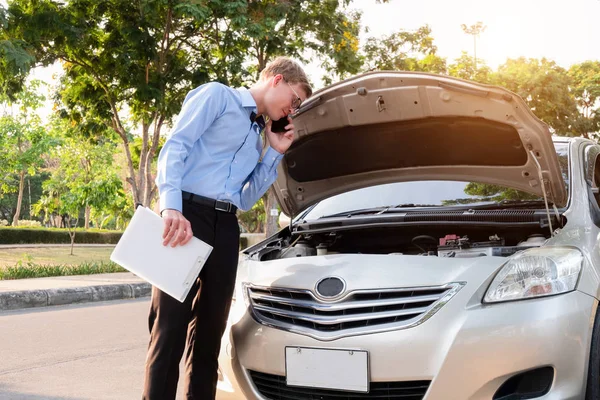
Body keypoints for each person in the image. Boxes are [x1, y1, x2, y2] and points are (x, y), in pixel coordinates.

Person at [143, 57, 312, 400]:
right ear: (277, 80)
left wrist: (274, 153)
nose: (292, 110)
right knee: (169, 331)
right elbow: (175, 146)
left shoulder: (257, 136)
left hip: (225, 226)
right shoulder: (216, 96)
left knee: (209, 335)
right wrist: (170, 205)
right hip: (186, 216)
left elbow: (246, 198)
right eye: (294, 100)